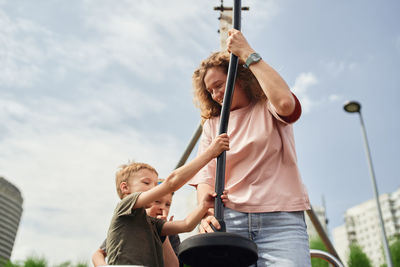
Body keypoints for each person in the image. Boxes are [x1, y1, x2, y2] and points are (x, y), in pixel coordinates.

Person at [189, 28, 311, 266]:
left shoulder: (268, 106)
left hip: (281, 221)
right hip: (230, 221)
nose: (215, 94)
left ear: (239, 78)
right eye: (210, 91)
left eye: (219, 85)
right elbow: (205, 176)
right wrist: (206, 213)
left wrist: (247, 53)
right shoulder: (213, 125)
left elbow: (287, 103)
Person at [104, 132, 229, 266]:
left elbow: (186, 225)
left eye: (155, 184)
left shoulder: (152, 223)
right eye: (146, 183)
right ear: (125, 188)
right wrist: (210, 153)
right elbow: (171, 183)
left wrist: (204, 206)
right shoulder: (125, 206)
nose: (153, 187)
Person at [91, 190, 181, 267]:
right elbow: (98, 253)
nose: (162, 207)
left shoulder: (171, 235)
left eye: (168, 204)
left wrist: (163, 235)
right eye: (157, 201)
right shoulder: (129, 226)